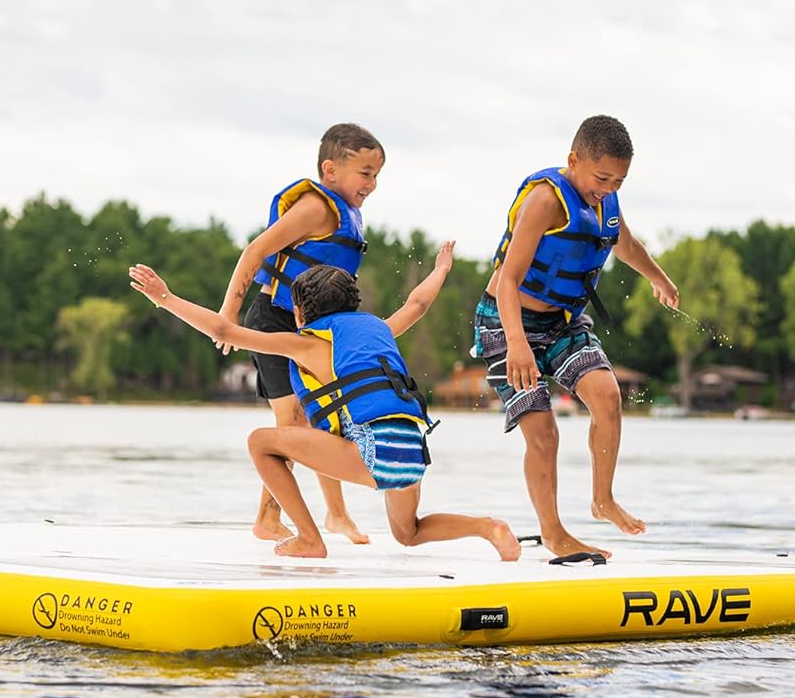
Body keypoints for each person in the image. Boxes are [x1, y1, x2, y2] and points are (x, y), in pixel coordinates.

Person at [130, 250, 521, 561]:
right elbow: (417, 304)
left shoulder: (308, 343)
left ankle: (309, 538)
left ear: (300, 313)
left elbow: (223, 330)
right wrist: (441, 269)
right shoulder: (380, 329)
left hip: (373, 451)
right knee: (409, 532)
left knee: (260, 442)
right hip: (412, 452)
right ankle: (488, 527)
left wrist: (164, 298)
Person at [473, 115, 678, 560]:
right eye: (602, 178)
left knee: (607, 396)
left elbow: (626, 245)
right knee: (544, 434)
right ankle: (554, 533)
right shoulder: (546, 200)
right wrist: (518, 344)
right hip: (507, 322)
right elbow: (508, 281)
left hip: (563, 322)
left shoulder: (605, 201)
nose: (608, 188)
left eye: (619, 181)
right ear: (574, 160)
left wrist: (658, 277)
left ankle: (602, 500)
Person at [213, 123, 385, 545]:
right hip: (274, 318)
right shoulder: (314, 208)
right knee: (291, 421)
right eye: (365, 173)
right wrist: (228, 314)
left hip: (311, 329)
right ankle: (268, 518)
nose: (372, 184)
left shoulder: (346, 215)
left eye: (377, 175)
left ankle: (336, 514)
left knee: (325, 418)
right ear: (330, 170)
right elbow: (255, 251)